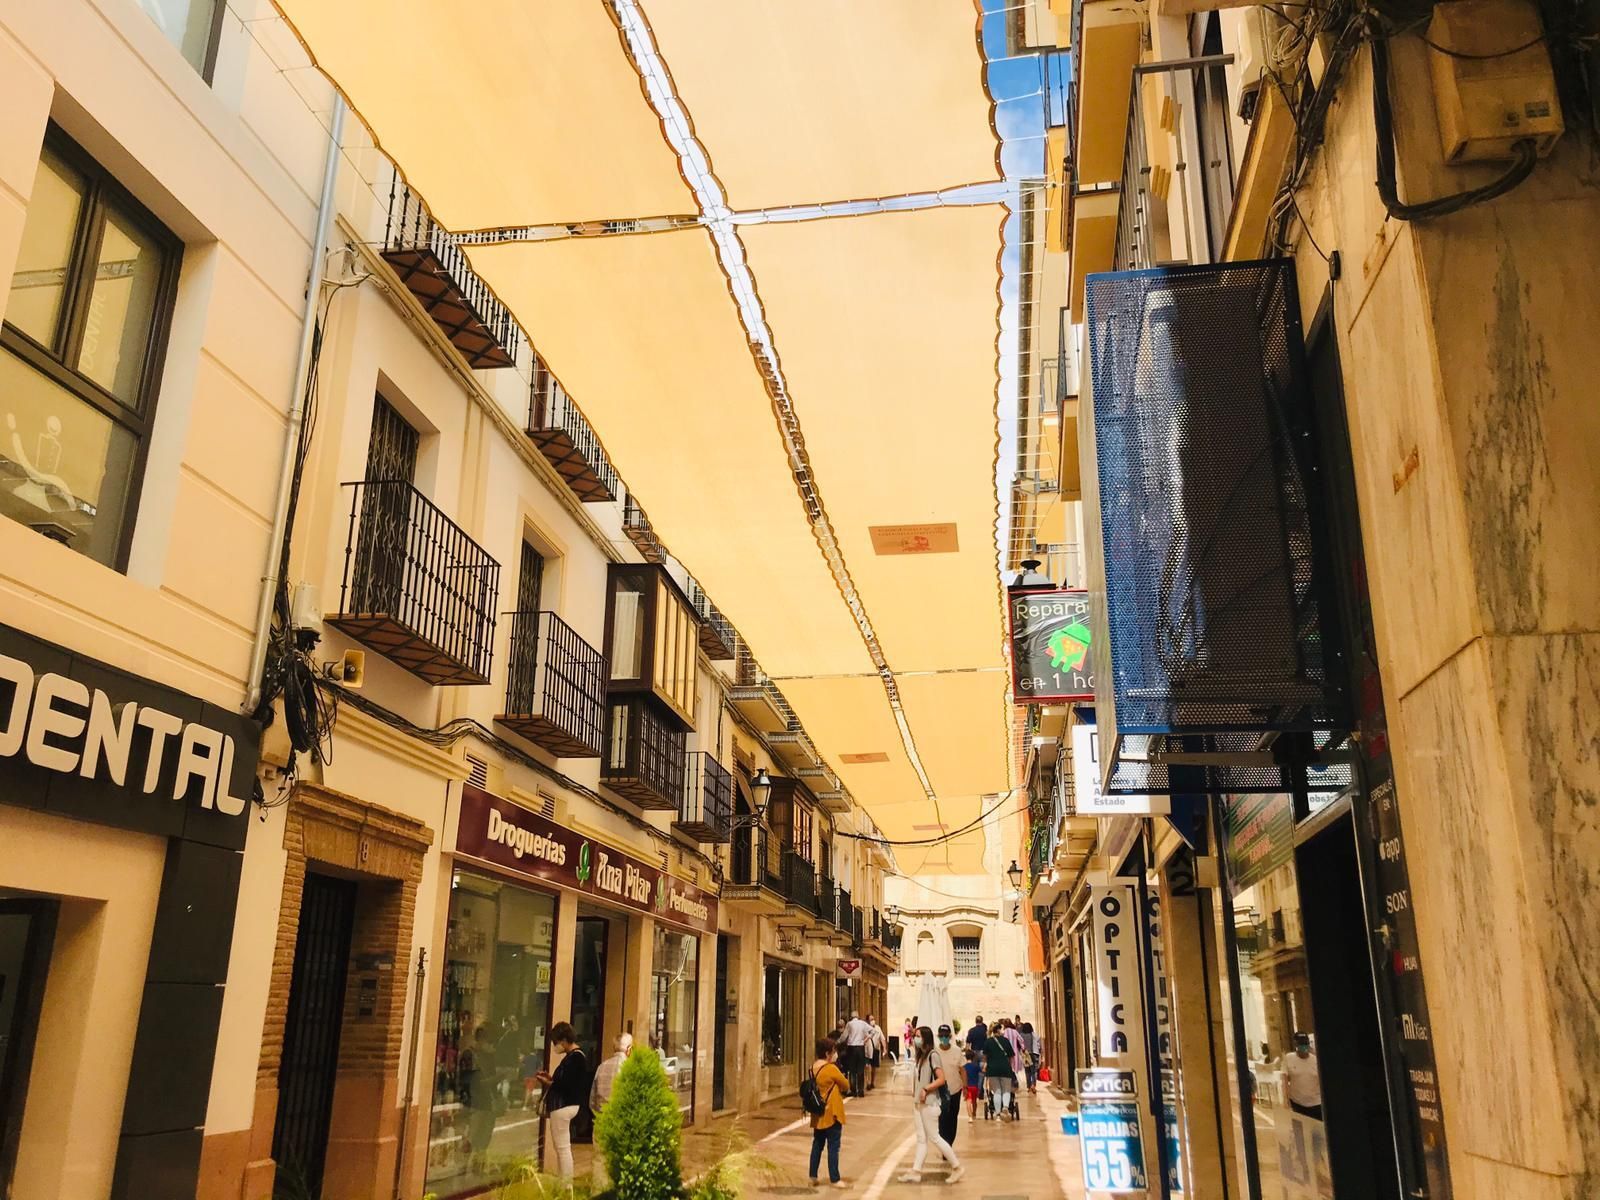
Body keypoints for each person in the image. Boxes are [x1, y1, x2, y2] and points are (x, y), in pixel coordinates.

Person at [898, 1026, 964, 1185]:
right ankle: (916, 1171)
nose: (916, 1039)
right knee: (921, 1138)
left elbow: (941, 1079)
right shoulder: (921, 1056)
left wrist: (926, 1089)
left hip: (929, 1103)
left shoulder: (933, 1055)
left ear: (926, 1038)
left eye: (919, 1036)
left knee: (935, 1137)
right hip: (919, 1104)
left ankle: (957, 1166)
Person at [535, 1022, 588, 1180]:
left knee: (562, 1148)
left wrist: (549, 1082)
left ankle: (565, 1185)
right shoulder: (577, 1057)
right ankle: (564, 1183)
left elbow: (565, 1084)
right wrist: (551, 1079)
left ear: (564, 1040)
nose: (555, 1046)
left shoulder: (574, 1058)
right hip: (570, 1104)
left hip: (563, 1105)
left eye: (556, 1042)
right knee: (563, 1148)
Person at [807, 1037, 850, 1189]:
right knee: (833, 1146)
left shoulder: (812, 1068)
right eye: (833, 1052)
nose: (835, 1054)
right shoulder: (831, 1069)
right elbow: (845, 1085)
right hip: (832, 1113)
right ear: (827, 1053)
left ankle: (813, 1175)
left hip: (818, 1113)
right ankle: (835, 1178)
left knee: (817, 1144)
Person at [462, 1026, 502, 1168]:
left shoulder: (490, 1057)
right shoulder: (470, 1055)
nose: (492, 1047)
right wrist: (496, 1079)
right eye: (490, 1043)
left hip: (488, 1103)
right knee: (471, 1137)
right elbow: (472, 1081)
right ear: (482, 1040)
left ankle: (478, 1167)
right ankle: (463, 1167)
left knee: (484, 1139)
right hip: (475, 1102)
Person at [983, 1022, 1019, 1121]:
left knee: (996, 1091)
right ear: (998, 1030)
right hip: (1005, 1069)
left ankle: (998, 1115)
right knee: (1006, 1090)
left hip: (992, 1070)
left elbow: (985, 1057)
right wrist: (1010, 1067)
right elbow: (1012, 1056)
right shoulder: (1006, 1041)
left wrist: (986, 1065)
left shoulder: (988, 1042)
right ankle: (1006, 1107)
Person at [590, 1031, 633, 1113]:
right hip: (621, 1117)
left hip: (602, 1116)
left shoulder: (601, 1066)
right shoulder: (630, 1068)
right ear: (629, 1049)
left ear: (614, 1048)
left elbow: (592, 1099)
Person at [1283, 1031, 1323, 1119]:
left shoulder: (1316, 1061)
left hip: (1316, 1103)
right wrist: (1285, 1099)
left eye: (1305, 1044)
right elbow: (1285, 1079)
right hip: (1297, 1103)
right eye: (1301, 1045)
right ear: (1296, 1045)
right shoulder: (1288, 1058)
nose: (1303, 1048)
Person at [935, 1026, 962, 1147]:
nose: (944, 1038)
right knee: (942, 1118)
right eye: (942, 1036)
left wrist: (965, 1087)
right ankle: (945, 1144)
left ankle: (949, 1142)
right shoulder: (935, 1052)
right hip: (941, 1090)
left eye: (946, 1036)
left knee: (953, 1117)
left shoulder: (957, 1050)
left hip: (956, 1089)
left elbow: (962, 1069)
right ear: (938, 1036)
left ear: (950, 1037)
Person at [841, 1010, 872, 1098]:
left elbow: (844, 1036)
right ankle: (861, 1091)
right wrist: (866, 1039)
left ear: (851, 1017)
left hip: (851, 1048)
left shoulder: (849, 1024)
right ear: (858, 1016)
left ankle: (854, 1090)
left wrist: (838, 1042)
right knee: (860, 1070)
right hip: (861, 1048)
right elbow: (873, 1031)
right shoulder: (863, 1023)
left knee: (852, 1070)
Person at [962, 1048, 983, 1122]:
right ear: (973, 1057)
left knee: (968, 1101)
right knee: (974, 1101)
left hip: (967, 1087)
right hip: (975, 1087)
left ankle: (970, 1117)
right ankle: (974, 1114)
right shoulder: (976, 1066)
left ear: (965, 1057)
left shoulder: (964, 1067)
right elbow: (982, 1072)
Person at [866, 1016, 886, 1090]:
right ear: (868, 1021)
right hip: (867, 1050)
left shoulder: (878, 1028)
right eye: (871, 1019)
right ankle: (868, 1082)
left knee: (874, 1067)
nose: (873, 1021)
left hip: (875, 1049)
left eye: (873, 1019)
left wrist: (884, 1048)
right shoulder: (865, 1028)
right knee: (868, 1066)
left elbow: (882, 1038)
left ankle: (872, 1082)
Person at [1019, 1021, 1040, 1094]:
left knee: (1027, 1071)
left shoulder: (1021, 1035)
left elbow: (1020, 1045)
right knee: (1033, 1071)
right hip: (1031, 1054)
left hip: (1025, 1055)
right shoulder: (1032, 1035)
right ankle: (1033, 1085)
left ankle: (1028, 1086)